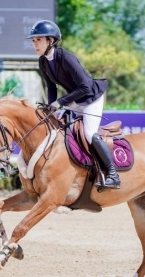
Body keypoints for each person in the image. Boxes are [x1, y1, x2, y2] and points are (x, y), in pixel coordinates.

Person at [27, 20, 120, 189]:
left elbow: (85, 86)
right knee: (54, 125)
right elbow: (51, 87)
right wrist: (50, 107)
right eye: (33, 41)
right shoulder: (43, 61)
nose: (35, 44)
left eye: (38, 40)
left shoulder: (66, 58)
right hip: (74, 100)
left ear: (51, 41)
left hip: (91, 97)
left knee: (90, 133)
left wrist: (59, 103)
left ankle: (113, 174)